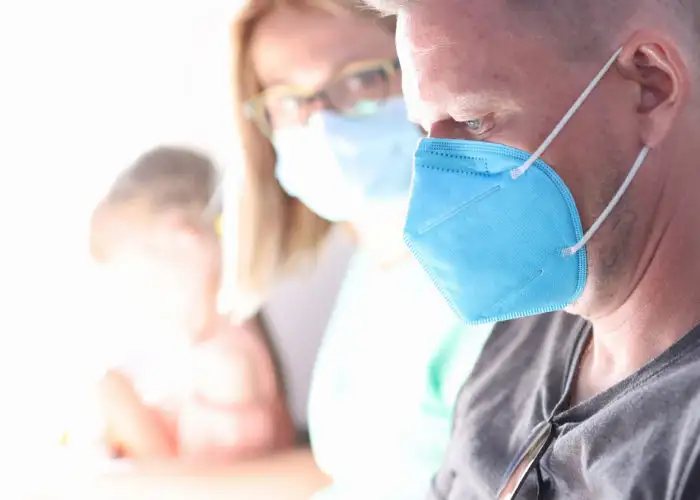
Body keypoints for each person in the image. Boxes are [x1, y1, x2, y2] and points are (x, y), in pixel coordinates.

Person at [29, 2, 492, 499]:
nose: (323, 123)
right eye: (289, 102)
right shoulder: (371, 269)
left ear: (418, 70)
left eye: (358, 80)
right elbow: (349, 472)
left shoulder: (483, 290)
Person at [356, 0, 700, 498]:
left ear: (650, 85)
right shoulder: (530, 326)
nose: (434, 183)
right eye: (424, 131)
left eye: (474, 122)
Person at [69, 146, 295, 463]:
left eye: (146, 286)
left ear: (184, 240)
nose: (142, 307)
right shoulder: (213, 347)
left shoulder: (227, 363)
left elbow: (217, 488)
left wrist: (133, 422)